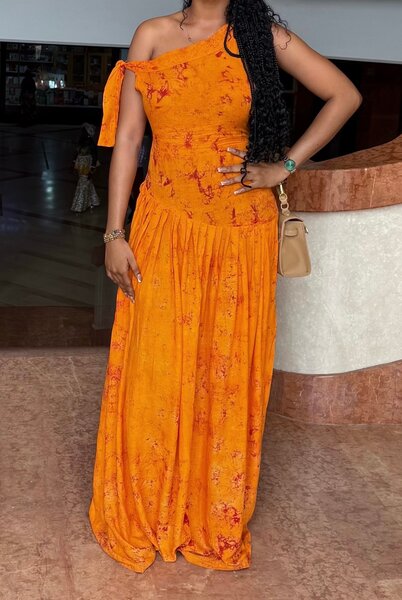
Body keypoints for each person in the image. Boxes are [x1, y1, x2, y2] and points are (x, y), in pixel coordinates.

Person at [89, 0, 362, 572]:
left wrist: (285, 166)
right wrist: (115, 231)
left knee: (224, 371)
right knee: (155, 366)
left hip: (241, 235)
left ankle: (208, 509)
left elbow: (344, 95)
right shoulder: (152, 34)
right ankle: (149, 506)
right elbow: (130, 138)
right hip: (164, 225)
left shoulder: (261, 37)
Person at [70, 123, 100, 213]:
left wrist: (92, 169)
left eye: (84, 131)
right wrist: (73, 163)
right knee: (86, 182)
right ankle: (93, 200)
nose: (82, 132)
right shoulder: (81, 141)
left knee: (82, 183)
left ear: (88, 132)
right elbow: (76, 153)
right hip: (80, 165)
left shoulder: (91, 143)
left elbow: (95, 157)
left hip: (87, 165)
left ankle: (79, 206)